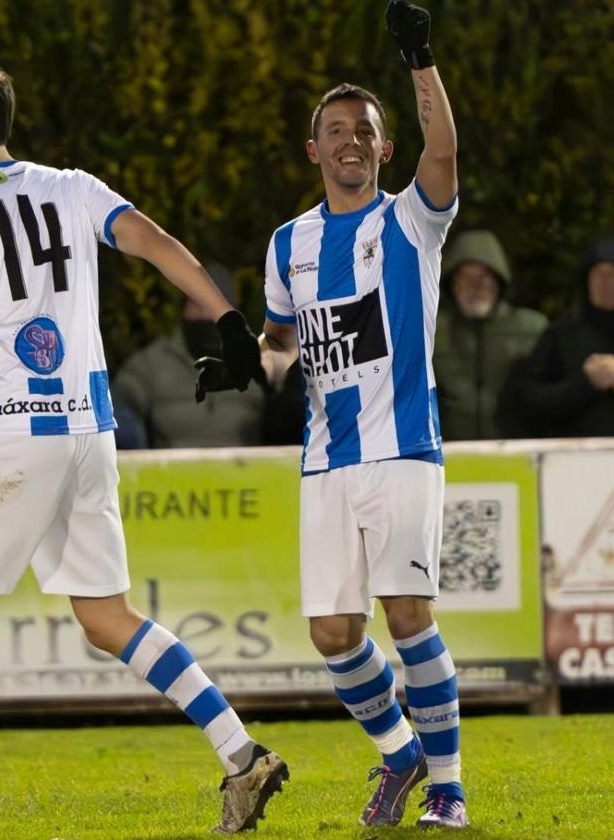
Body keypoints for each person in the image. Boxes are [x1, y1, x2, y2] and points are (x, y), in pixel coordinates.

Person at [0, 59, 286, 840]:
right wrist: (228, 320)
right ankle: (240, 752)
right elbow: (153, 242)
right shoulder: (72, 185)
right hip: (87, 428)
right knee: (108, 616)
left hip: (10, 432)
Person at [227, 0, 468, 828]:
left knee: (407, 617)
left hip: (403, 449)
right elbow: (282, 343)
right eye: (335, 129)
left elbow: (445, 151)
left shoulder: (412, 219)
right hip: (325, 460)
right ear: (314, 149)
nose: (350, 140)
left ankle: (448, 791)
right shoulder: (286, 242)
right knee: (334, 633)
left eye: (364, 129)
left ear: (383, 146)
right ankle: (403, 757)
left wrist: (418, 60)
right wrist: (244, 363)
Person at [113, 264, 265, 448]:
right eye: (197, 303)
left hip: (249, 472)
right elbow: (118, 407)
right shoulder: (152, 363)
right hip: (171, 472)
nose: (206, 314)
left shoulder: (260, 361)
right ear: (184, 307)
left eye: (218, 305)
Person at [432, 229, 546, 440]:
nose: (475, 287)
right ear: (451, 284)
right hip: (447, 458)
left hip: (518, 456)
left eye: (484, 277)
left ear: (499, 281)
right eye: (465, 278)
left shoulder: (532, 329)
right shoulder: (431, 332)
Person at [503, 235, 614, 436]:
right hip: (572, 459)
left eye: (612, 274)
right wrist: (585, 383)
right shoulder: (562, 334)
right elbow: (529, 402)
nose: (606, 283)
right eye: (599, 275)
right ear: (586, 280)